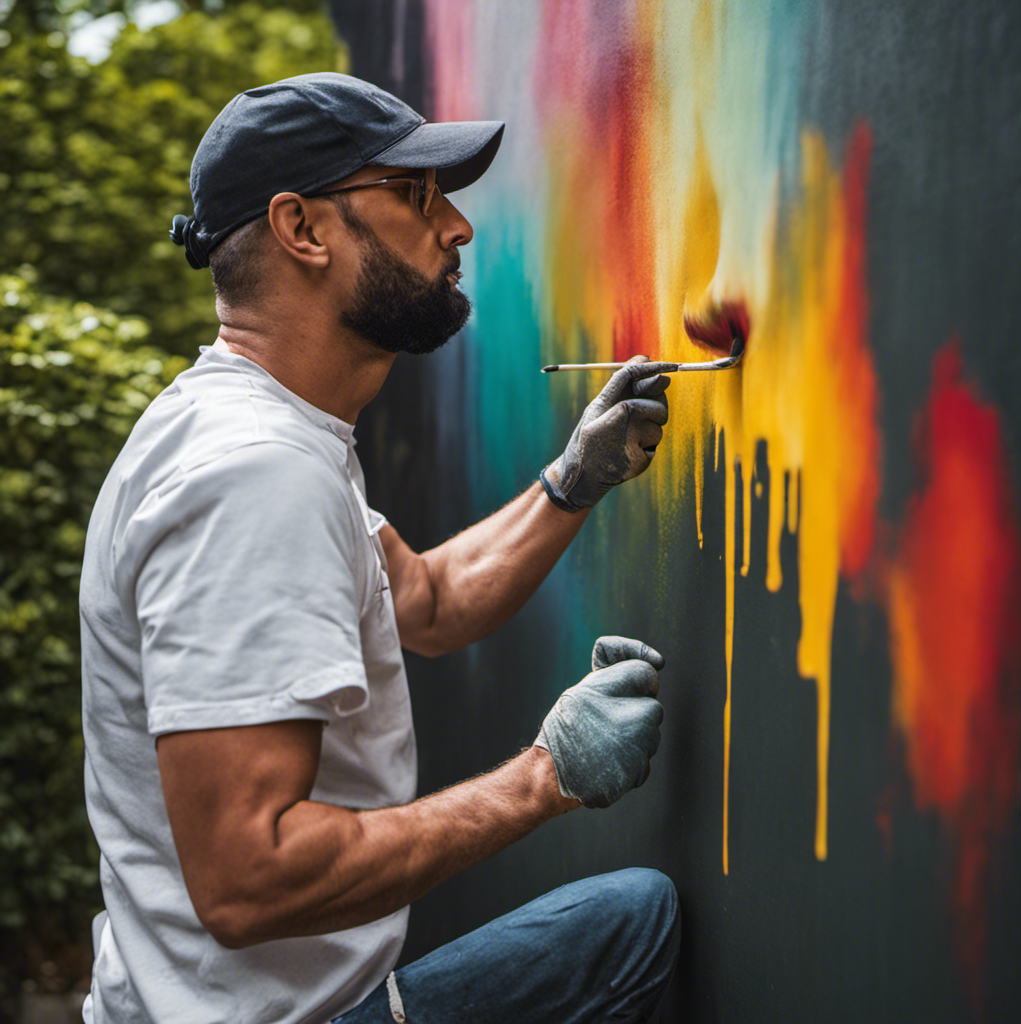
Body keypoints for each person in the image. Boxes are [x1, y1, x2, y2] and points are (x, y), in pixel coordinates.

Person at [79, 72, 680, 1024]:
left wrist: (575, 480)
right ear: (302, 229)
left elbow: (430, 602)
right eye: (415, 193)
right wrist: (544, 779)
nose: (457, 227)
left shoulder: (253, 430)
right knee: (632, 922)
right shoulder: (255, 476)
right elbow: (249, 881)